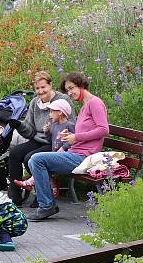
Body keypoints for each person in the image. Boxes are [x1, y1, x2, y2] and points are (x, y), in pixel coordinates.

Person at [25, 72, 109, 221]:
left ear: (81, 85)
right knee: (34, 159)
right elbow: (84, 132)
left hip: (84, 157)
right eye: (67, 90)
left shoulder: (95, 103)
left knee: (36, 159)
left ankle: (47, 206)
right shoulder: (84, 106)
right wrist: (68, 138)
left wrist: (76, 137)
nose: (70, 93)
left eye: (72, 88)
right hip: (74, 151)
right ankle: (47, 204)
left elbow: (104, 130)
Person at [6, 71, 73, 205]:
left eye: (43, 87)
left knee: (30, 157)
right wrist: (19, 125)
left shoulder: (62, 100)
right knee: (14, 153)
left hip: (55, 141)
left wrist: (53, 129)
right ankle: (16, 195)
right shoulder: (34, 103)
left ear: (50, 85)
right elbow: (29, 131)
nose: (41, 91)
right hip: (37, 140)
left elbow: (71, 125)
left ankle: (42, 193)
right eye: (37, 88)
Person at [13, 99, 76, 193]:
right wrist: (47, 132)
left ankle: (31, 183)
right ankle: (37, 184)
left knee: (41, 163)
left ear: (60, 112)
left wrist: (64, 147)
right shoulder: (54, 125)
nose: (49, 115)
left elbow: (74, 141)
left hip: (65, 155)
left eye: (51, 112)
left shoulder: (69, 125)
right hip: (54, 153)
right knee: (40, 163)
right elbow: (50, 140)